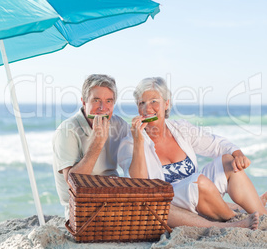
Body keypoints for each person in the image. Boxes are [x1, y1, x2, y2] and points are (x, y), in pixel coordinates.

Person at [118, 77, 267, 230]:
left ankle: (263, 217)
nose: (147, 108)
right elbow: (138, 184)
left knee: (228, 161)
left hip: (202, 196)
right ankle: (234, 218)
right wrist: (138, 142)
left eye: (154, 101)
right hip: (171, 203)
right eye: (142, 103)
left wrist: (239, 154)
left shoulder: (180, 128)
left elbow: (216, 144)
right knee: (198, 182)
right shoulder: (129, 143)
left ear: (166, 103)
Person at [53, 74, 130, 219]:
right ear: (83, 102)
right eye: (96, 100)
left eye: (109, 101)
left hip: (113, 199)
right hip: (81, 207)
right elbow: (73, 182)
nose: (103, 108)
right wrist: (98, 142)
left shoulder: (118, 124)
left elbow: (135, 162)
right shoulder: (67, 130)